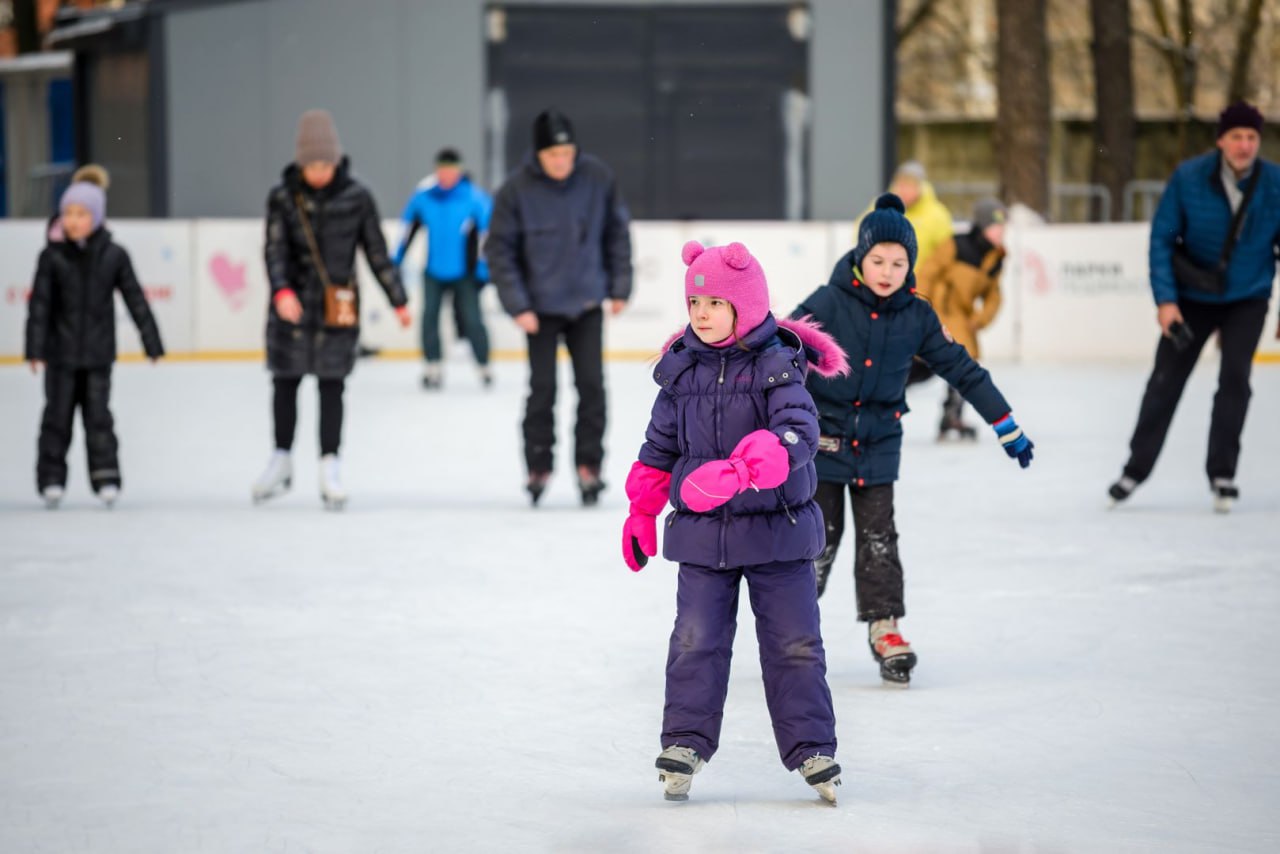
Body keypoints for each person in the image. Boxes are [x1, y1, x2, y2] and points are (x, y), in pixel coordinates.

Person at [622, 239, 849, 803]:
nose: (700, 314)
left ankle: (813, 749)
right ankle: (685, 743)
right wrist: (642, 509)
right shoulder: (680, 372)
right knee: (694, 641)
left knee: (795, 644)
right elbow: (657, 449)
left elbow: (798, 432)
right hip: (704, 541)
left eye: (715, 303)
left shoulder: (777, 365)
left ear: (744, 307)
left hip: (780, 535)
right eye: (695, 303)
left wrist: (748, 469)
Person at [791, 194, 1034, 685]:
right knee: (817, 542)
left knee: (880, 541)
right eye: (878, 260)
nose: (887, 271)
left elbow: (962, 369)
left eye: (898, 263)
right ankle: (791, 630)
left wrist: (1003, 422)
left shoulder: (917, 316)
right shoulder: (829, 301)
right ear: (861, 257)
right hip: (824, 444)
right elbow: (782, 346)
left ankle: (885, 627)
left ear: (911, 266)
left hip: (879, 445)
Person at [1108, 101, 1280, 514]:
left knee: (1235, 381)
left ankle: (1223, 473)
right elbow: (1162, 240)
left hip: (1248, 295)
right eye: (1236, 136)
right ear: (1221, 140)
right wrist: (1166, 302)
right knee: (1165, 382)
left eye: (1251, 137)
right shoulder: (1188, 178)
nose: (1244, 145)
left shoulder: (1274, 182)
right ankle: (1136, 468)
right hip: (1192, 299)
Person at [253, 109, 410, 510]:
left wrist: (399, 300)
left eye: (326, 164)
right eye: (311, 165)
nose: (319, 172)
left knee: (332, 386)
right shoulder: (284, 197)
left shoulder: (357, 198)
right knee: (285, 382)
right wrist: (281, 291)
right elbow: (274, 250)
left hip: (337, 308)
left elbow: (376, 251)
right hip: (291, 307)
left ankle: (330, 464)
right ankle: (281, 458)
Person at [488, 109, 632, 507]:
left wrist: (620, 286)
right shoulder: (515, 190)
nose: (561, 161)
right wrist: (517, 305)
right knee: (542, 390)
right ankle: (538, 465)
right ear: (538, 154)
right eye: (554, 154)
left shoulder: (597, 178)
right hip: (539, 310)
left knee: (591, 387)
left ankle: (590, 466)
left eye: (567, 153)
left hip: (586, 302)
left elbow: (616, 233)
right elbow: (499, 251)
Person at [24, 179, 165, 509]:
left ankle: (106, 476)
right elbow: (40, 306)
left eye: (81, 213)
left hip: (99, 355)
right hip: (60, 356)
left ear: (97, 218)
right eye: (68, 213)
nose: (73, 220)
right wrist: (35, 349)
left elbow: (135, 299)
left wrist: (151, 340)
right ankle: (51, 479)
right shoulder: (51, 257)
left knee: (99, 418)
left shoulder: (114, 255)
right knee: (56, 417)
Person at [392, 147, 494, 390]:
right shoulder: (424, 198)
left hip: (465, 273)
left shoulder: (475, 198)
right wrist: (395, 261)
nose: (446, 175)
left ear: (459, 170)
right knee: (429, 318)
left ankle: (483, 365)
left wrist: (483, 269)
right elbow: (407, 230)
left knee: (472, 318)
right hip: (434, 271)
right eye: (442, 170)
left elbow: (487, 236)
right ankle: (432, 366)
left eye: (451, 170)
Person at [911, 196, 1008, 439]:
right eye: (996, 227)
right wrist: (923, 308)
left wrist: (980, 320)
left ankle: (951, 416)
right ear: (984, 227)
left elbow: (993, 295)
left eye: (1003, 228)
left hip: (961, 320)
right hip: (939, 314)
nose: (1001, 232)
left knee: (964, 365)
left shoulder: (995, 259)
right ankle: (874, 403)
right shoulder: (955, 245)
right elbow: (927, 274)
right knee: (916, 368)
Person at [856, 160, 953, 271]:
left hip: (921, 283)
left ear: (921, 187)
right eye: (901, 185)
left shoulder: (937, 215)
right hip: (883, 280)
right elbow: (861, 236)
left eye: (910, 186)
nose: (904, 191)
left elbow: (946, 254)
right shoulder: (880, 207)